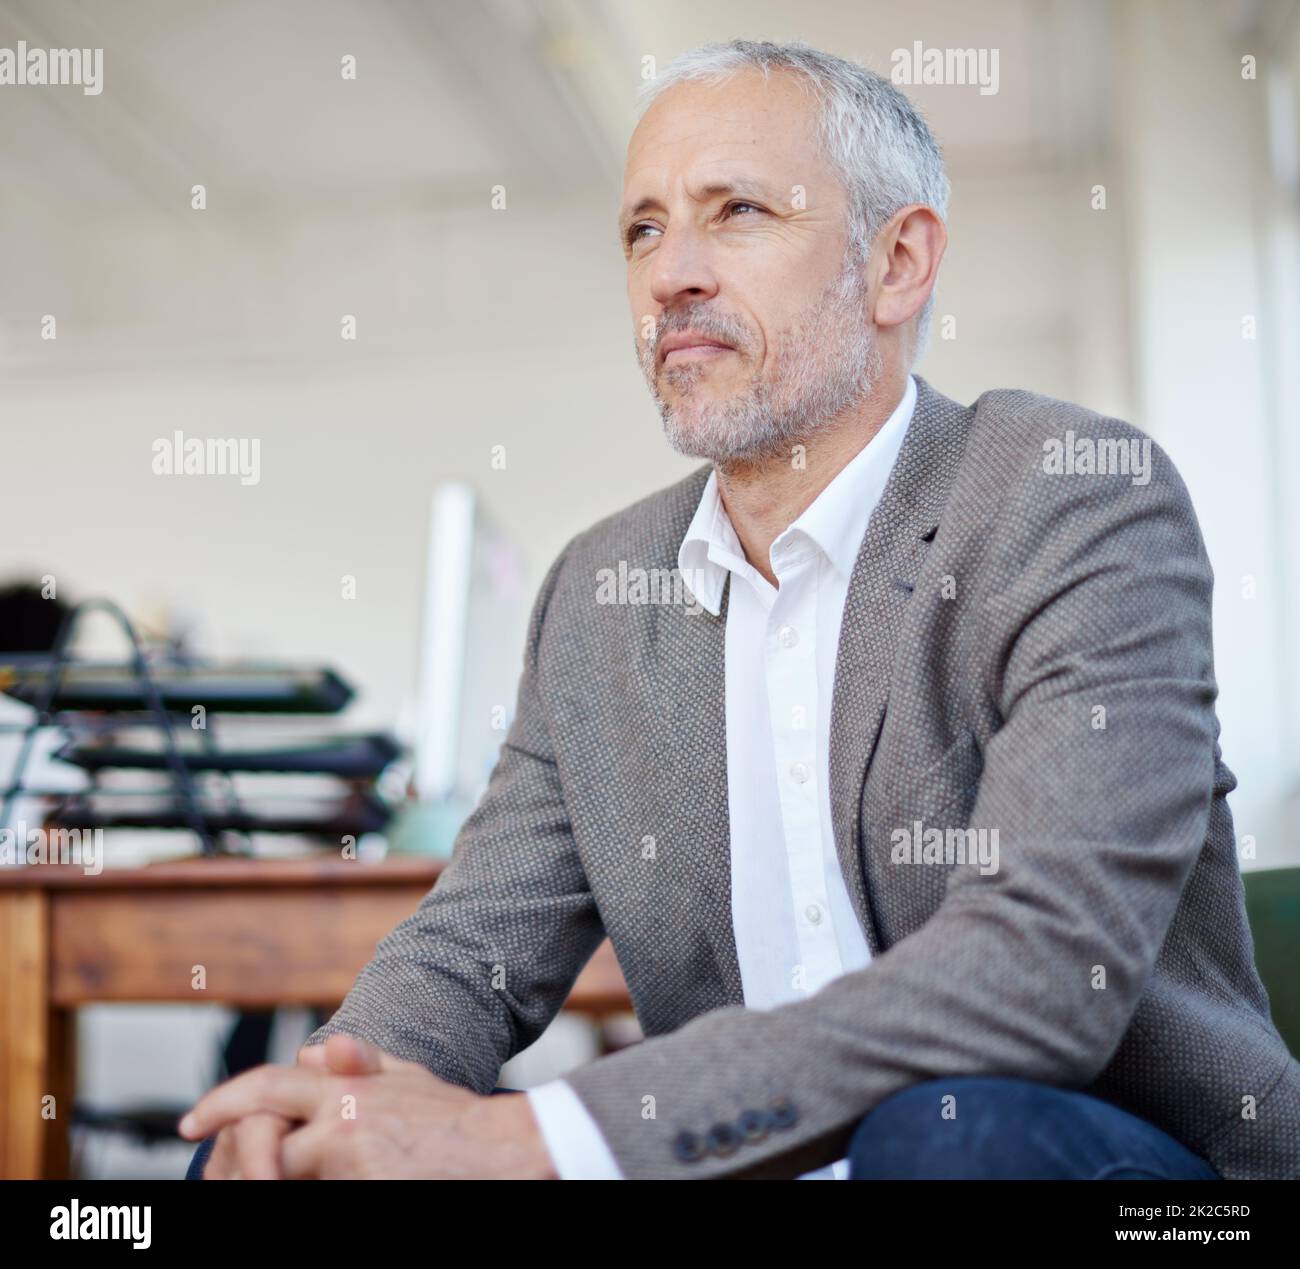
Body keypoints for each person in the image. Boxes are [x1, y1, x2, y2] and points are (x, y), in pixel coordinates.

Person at [181, 39, 1299, 1180]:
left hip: (1110, 1167)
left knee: (955, 1136)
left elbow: (1042, 973)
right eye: (644, 228)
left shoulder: (1066, 498)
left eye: (738, 211)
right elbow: (470, 954)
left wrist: (541, 1137)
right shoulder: (599, 593)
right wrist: (325, 1100)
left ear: (897, 262)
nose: (672, 273)